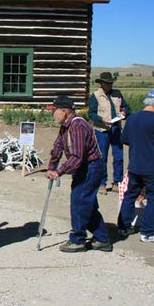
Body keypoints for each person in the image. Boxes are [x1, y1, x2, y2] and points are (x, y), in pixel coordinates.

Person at [46, 95, 111, 253]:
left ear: (65, 111)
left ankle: (78, 240)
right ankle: (102, 238)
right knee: (87, 204)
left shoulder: (77, 126)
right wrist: (51, 166)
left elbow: (77, 157)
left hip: (90, 167)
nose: (52, 114)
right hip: (84, 167)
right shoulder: (66, 126)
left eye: (55, 111)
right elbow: (58, 147)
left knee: (80, 203)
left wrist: (59, 172)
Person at [118, 90, 154, 243]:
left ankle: (123, 227)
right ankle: (147, 232)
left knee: (130, 195)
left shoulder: (132, 118)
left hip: (135, 164)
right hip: (152, 166)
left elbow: (124, 139)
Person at [88, 71, 130, 195]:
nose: (109, 85)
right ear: (101, 83)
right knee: (102, 157)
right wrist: (101, 119)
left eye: (110, 83)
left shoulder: (118, 94)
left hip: (116, 128)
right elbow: (91, 113)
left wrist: (124, 112)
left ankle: (117, 182)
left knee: (118, 157)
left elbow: (127, 107)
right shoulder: (95, 96)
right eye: (107, 83)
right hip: (102, 130)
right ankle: (102, 183)